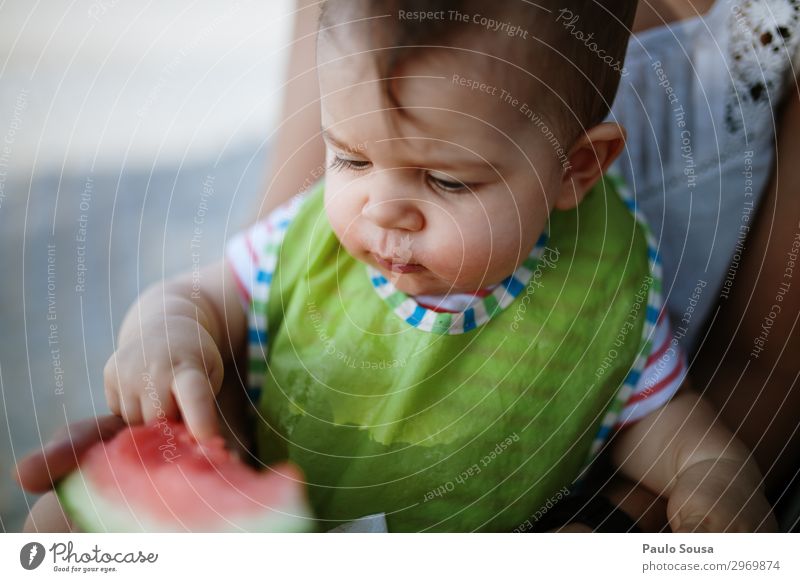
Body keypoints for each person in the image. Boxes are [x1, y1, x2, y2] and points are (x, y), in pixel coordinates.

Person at [17, 0, 776, 532]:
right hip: (266, 504)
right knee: (56, 523)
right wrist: (165, 335)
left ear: (577, 168)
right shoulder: (309, 238)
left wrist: (708, 472)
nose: (383, 209)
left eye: (447, 181)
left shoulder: (602, 293)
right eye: (348, 156)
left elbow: (646, 415)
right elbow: (204, 295)